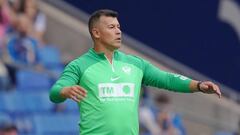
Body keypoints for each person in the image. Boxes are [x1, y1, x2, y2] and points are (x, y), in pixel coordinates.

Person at [49, 9, 221, 135]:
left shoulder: (135, 64)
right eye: (111, 27)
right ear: (96, 33)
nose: (118, 31)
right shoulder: (79, 65)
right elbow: (55, 92)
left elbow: (168, 79)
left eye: (118, 27)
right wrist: (65, 90)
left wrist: (198, 85)